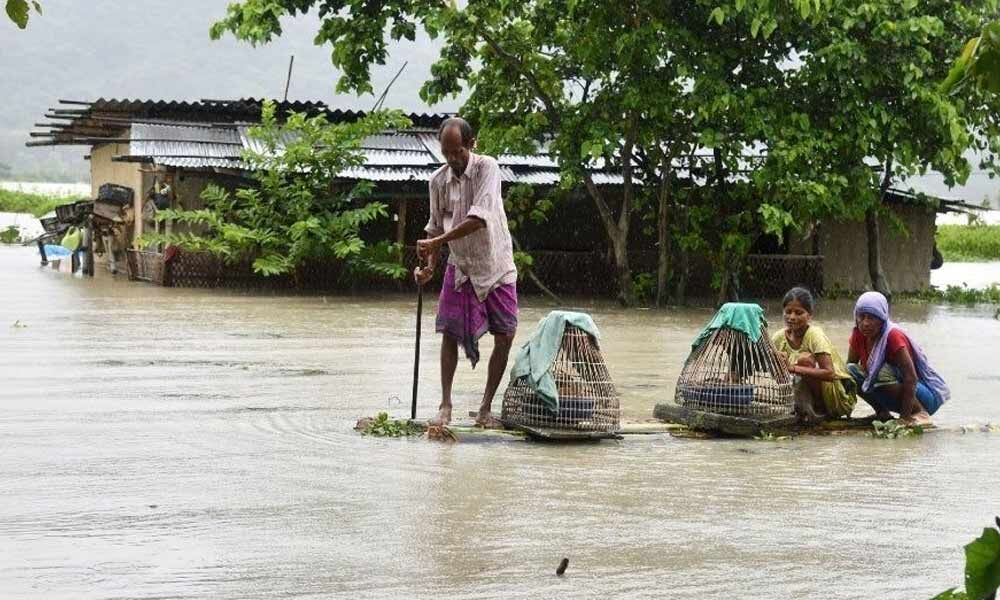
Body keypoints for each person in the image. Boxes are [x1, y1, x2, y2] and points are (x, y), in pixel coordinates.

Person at [414, 117, 518, 428]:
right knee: (448, 332)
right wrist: (428, 266)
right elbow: (434, 226)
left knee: (506, 334)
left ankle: (486, 409)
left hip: (494, 263)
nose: (452, 159)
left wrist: (436, 241)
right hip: (460, 266)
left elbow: (478, 218)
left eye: (457, 152)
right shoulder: (438, 181)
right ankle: (445, 405)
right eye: (446, 153)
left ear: (471, 145)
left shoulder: (487, 168)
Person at [846, 291, 950, 426]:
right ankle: (882, 412)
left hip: (921, 396)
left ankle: (919, 413)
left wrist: (904, 418)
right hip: (895, 392)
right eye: (862, 316)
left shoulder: (892, 336)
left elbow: (911, 378)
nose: (865, 323)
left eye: (871, 318)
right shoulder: (858, 334)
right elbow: (850, 369)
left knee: (879, 371)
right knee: (850, 371)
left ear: (882, 318)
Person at [772, 287, 856, 421]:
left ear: (809, 315)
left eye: (799, 313)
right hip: (801, 394)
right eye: (788, 312)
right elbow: (765, 365)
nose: (792, 317)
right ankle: (798, 408)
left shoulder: (814, 335)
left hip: (836, 398)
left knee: (804, 360)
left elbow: (829, 373)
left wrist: (793, 368)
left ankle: (819, 410)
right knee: (777, 362)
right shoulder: (779, 337)